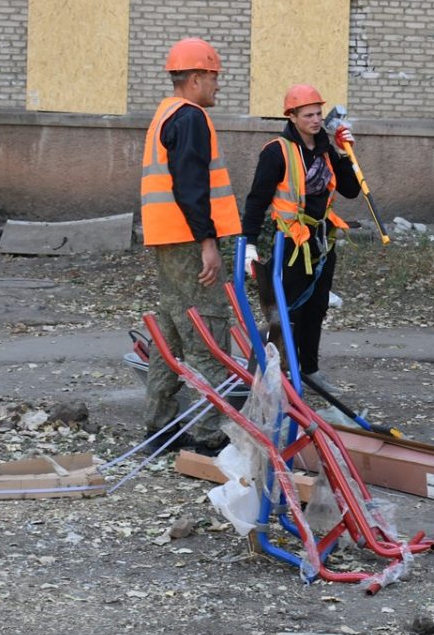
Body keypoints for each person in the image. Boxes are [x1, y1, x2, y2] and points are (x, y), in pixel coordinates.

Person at [140, 37, 241, 456]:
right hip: (187, 241)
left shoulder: (166, 114)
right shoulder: (191, 118)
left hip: (168, 241)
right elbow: (191, 187)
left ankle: (160, 426)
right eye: (215, 78)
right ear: (196, 78)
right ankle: (212, 434)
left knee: (171, 336)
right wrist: (208, 243)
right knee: (208, 330)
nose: (218, 86)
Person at [241, 84, 360, 393]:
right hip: (291, 244)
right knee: (284, 310)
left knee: (316, 308)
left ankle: (309, 370)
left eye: (319, 113)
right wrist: (249, 243)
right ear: (292, 116)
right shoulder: (276, 151)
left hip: (322, 243)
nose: (316, 119)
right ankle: (272, 373)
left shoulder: (325, 149)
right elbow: (256, 200)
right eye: (308, 114)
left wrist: (345, 153)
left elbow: (351, 190)